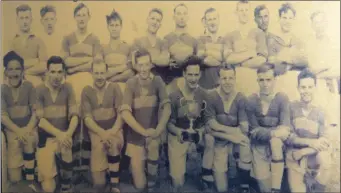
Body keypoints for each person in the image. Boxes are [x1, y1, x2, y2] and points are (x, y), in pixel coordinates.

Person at [119, 49, 171, 191]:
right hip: (136, 136)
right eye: (140, 65)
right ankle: (137, 168)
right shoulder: (130, 83)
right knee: (140, 186)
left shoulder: (158, 81)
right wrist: (144, 132)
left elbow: (167, 107)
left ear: (151, 65)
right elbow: (125, 114)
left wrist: (158, 130)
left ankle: (153, 177)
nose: (143, 69)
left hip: (153, 134)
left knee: (153, 147)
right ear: (135, 66)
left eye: (146, 65)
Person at [130, 7, 171, 174]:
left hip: (158, 83)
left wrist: (146, 60)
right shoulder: (138, 41)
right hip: (140, 84)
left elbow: (166, 60)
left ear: (160, 24)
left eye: (158, 20)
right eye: (152, 18)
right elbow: (134, 64)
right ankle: (136, 158)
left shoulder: (163, 42)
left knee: (161, 117)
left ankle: (160, 159)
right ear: (147, 20)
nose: (155, 22)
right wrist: (153, 62)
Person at [61, 2, 101, 173]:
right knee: (74, 116)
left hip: (88, 80)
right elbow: (65, 62)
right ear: (75, 18)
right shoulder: (68, 38)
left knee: (87, 116)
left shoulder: (94, 39)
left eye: (84, 15)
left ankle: (86, 162)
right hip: (72, 82)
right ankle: (74, 161)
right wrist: (85, 62)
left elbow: (96, 61)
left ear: (89, 17)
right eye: (79, 15)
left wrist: (75, 65)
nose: (82, 18)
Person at [205, 64, 251, 193]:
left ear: (235, 79)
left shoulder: (240, 97)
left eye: (231, 78)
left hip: (234, 137)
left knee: (244, 142)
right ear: (218, 79)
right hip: (220, 139)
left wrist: (234, 135)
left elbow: (244, 127)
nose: (227, 82)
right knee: (222, 189)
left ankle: (244, 184)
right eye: (224, 78)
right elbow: (211, 126)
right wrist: (231, 134)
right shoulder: (211, 96)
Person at [35, 56, 79, 193]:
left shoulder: (68, 88)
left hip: (64, 138)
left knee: (66, 146)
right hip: (46, 140)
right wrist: (60, 134)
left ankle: (66, 182)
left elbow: (75, 116)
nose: (56, 76)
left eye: (60, 72)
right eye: (53, 72)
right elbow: (40, 121)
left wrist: (67, 135)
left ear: (64, 73)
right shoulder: (39, 90)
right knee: (48, 189)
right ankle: (48, 172)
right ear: (47, 73)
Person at [246, 64, 291, 193]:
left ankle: (276, 188)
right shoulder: (252, 100)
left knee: (275, 142)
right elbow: (253, 131)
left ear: (275, 80)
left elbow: (285, 127)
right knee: (265, 189)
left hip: (278, 147)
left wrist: (274, 134)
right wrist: (274, 132)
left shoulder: (282, 98)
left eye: (268, 80)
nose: (265, 84)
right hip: (259, 147)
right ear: (257, 81)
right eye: (261, 80)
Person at [286, 69, 332, 193]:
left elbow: (325, 140)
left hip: (313, 156)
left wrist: (305, 151)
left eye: (310, 87)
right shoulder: (291, 107)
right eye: (303, 87)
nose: (306, 91)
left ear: (315, 88)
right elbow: (289, 137)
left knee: (326, 160)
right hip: (294, 157)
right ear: (298, 88)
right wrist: (310, 143)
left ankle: (316, 186)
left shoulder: (321, 111)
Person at [167, 55, 208, 191]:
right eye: (190, 74)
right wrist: (179, 132)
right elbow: (169, 124)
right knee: (178, 184)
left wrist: (201, 132)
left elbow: (206, 121)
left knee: (210, 139)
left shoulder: (204, 95)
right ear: (184, 74)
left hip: (197, 136)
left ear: (200, 74)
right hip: (179, 135)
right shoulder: (174, 96)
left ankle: (204, 172)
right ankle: (176, 167)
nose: (193, 78)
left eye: (196, 74)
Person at [81, 61, 124, 193]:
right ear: (91, 74)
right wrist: (102, 133)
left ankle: (115, 182)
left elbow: (121, 115)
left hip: (114, 130)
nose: (99, 77)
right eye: (96, 73)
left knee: (114, 142)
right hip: (96, 133)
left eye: (102, 73)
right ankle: (105, 167)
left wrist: (111, 132)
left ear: (106, 73)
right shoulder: (87, 91)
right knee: (99, 184)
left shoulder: (114, 87)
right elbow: (87, 119)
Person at [1, 51, 38, 191]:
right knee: (15, 178)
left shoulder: (29, 87)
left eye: (17, 69)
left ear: (22, 71)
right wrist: (18, 131)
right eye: (11, 69)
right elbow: (3, 116)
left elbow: (35, 113)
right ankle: (22, 167)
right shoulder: (2, 90)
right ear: (5, 72)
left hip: (29, 128)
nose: (14, 73)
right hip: (12, 131)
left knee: (28, 139)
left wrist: (27, 129)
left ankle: (30, 180)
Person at [222, 0, 268, 97]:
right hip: (236, 79)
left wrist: (239, 62)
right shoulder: (230, 35)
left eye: (246, 10)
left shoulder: (259, 33)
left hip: (254, 79)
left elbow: (262, 59)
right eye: (241, 10)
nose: (244, 13)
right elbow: (228, 59)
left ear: (250, 12)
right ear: (236, 12)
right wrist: (250, 54)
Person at [267, 3, 308, 102]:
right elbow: (273, 65)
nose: (287, 21)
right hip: (278, 83)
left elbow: (305, 61)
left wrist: (283, 58)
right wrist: (293, 60)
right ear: (279, 19)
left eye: (290, 18)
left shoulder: (298, 40)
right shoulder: (272, 39)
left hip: (295, 84)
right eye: (284, 18)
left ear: (294, 19)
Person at [11, 4, 47, 87]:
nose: (24, 21)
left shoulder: (38, 40)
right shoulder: (12, 41)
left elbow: (44, 65)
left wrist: (25, 72)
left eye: (27, 18)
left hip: (34, 79)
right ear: (17, 20)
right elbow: (10, 66)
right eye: (21, 18)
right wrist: (35, 61)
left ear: (31, 19)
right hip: (15, 81)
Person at [164, 3, 197, 91]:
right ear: (174, 17)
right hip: (171, 81)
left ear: (188, 17)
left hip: (189, 83)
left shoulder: (193, 39)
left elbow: (198, 60)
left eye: (184, 13)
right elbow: (163, 59)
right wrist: (168, 62)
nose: (182, 17)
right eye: (179, 13)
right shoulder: (167, 38)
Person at [100, 9, 134, 84]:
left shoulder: (128, 47)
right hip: (106, 88)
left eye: (116, 25)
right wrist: (121, 68)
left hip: (123, 86)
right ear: (108, 27)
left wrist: (112, 79)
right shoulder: (103, 48)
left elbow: (130, 72)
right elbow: (101, 73)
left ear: (121, 26)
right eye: (112, 25)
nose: (114, 28)